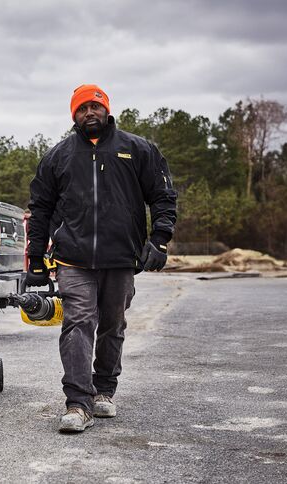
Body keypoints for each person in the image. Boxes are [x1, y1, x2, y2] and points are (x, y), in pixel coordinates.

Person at [27, 84, 177, 433]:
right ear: (74, 115)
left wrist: (160, 239)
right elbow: (41, 209)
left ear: (107, 110)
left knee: (113, 325)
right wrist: (35, 257)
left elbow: (163, 196)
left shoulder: (137, 149)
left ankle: (104, 390)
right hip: (73, 258)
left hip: (121, 257)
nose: (89, 113)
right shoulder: (58, 156)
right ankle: (78, 403)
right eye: (82, 108)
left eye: (95, 106)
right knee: (78, 323)